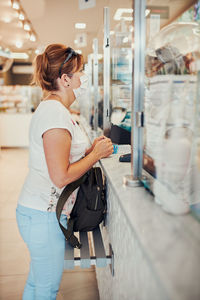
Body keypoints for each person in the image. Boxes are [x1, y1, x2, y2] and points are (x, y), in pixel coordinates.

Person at [16, 44, 113, 300]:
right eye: (79, 72)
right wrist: (94, 156)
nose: (82, 79)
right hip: (42, 216)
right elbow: (60, 176)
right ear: (65, 79)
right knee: (46, 290)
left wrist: (90, 151)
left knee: (37, 284)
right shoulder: (54, 115)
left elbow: (64, 159)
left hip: (40, 214)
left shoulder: (56, 111)